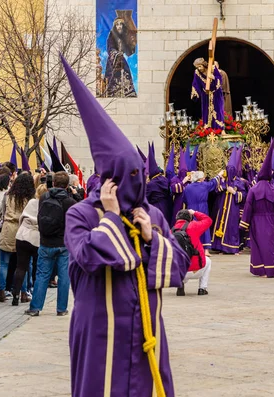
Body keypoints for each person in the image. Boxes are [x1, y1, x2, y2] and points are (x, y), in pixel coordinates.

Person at [61, 58, 188, 397]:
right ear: (110, 180)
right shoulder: (80, 214)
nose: (137, 183)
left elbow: (179, 268)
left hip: (146, 327)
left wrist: (151, 238)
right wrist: (113, 218)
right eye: (128, 176)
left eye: (139, 174)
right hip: (101, 329)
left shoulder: (152, 215)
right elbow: (88, 256)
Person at [26, 171, 76, 316]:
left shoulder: (43, 197)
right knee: (64, 276)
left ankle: (35, 307)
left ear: (53, 183)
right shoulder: (70, 202)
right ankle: (61, 309)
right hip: (63, 243)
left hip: (46, 241)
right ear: (67, 185)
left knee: (42, 275)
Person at [240, 143, 274, 277]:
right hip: (270, 219)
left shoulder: (253, 189)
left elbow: (248, 207)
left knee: (257, 244)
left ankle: (259, 269)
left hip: (256, 219)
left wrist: (244, 223)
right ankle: (271, 269)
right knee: (269, 244)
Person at [0, 172, 36, 302]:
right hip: (24, 229)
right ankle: (24, 292)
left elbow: (2, 212)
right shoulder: (30, 198)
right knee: (24, 264)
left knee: (4, 263)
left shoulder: (7, 196)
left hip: (8, 228)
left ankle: (2, 291)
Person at [11, 183, 47, 306]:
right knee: (38, 269)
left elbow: (22, 217)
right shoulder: (46, 205)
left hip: (23, 235)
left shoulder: (32, 202)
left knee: (21, 267)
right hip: (37, 237)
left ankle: (15, 294)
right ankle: (35, 295)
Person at [211, 148, 245, 254]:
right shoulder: (223, 181)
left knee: (232, 227)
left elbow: (243, 195)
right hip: (222, 208)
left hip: (232, 209)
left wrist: (234, 193)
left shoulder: (239, 182)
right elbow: (216, 190)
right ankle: (221, 247)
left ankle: (233, 247)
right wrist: (224, 187)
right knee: (220, 225)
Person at [173, 209, 212, 295]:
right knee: (208, 261)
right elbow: (208, 220)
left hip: (177, 273)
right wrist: (194, 212)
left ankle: (180, 283)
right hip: (195, 269)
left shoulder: (172, 231)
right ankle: (202, 288)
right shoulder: (194, 226)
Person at [183, 170, 221, 253]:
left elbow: (184, 199)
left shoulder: (188, 187)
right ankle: (206, 250)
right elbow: (213, 183)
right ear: (200, 179)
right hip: (202, 207)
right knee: (204, 225)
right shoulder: (204, 185)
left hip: (191, 208)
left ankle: (194, 248)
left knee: (193, 227)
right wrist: (219, 175)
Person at [105, 11, 137, 98]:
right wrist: (115, 54)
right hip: (113, 61)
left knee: (126, 74)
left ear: (123, 26)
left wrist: (132, 45)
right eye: (117, 24)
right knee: (112, 78)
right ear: (115, 26)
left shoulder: (124, 36)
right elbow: (110, 47)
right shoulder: (111, 35)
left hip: (122, 60)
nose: (119, 26)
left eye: (120, 24)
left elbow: (129, 52)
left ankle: (127, 92)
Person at [191, 57, 225, 129]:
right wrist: (195, 93)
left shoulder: (212, 68)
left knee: (218, 111)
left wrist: (213, 78)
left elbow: (219, 78)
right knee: (206, 111)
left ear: (203, 64)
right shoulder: (197, 72)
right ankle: (208, 128)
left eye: (200, 66)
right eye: (197, 67)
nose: (199, 68)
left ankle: (219, 129)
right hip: (205, 94)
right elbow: (195, 83)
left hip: (216, 93)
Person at [146, 142, 172, 223]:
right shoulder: (165, 179)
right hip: (166, 205)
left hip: (156, 207)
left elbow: (146, 198)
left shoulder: (150, 184)